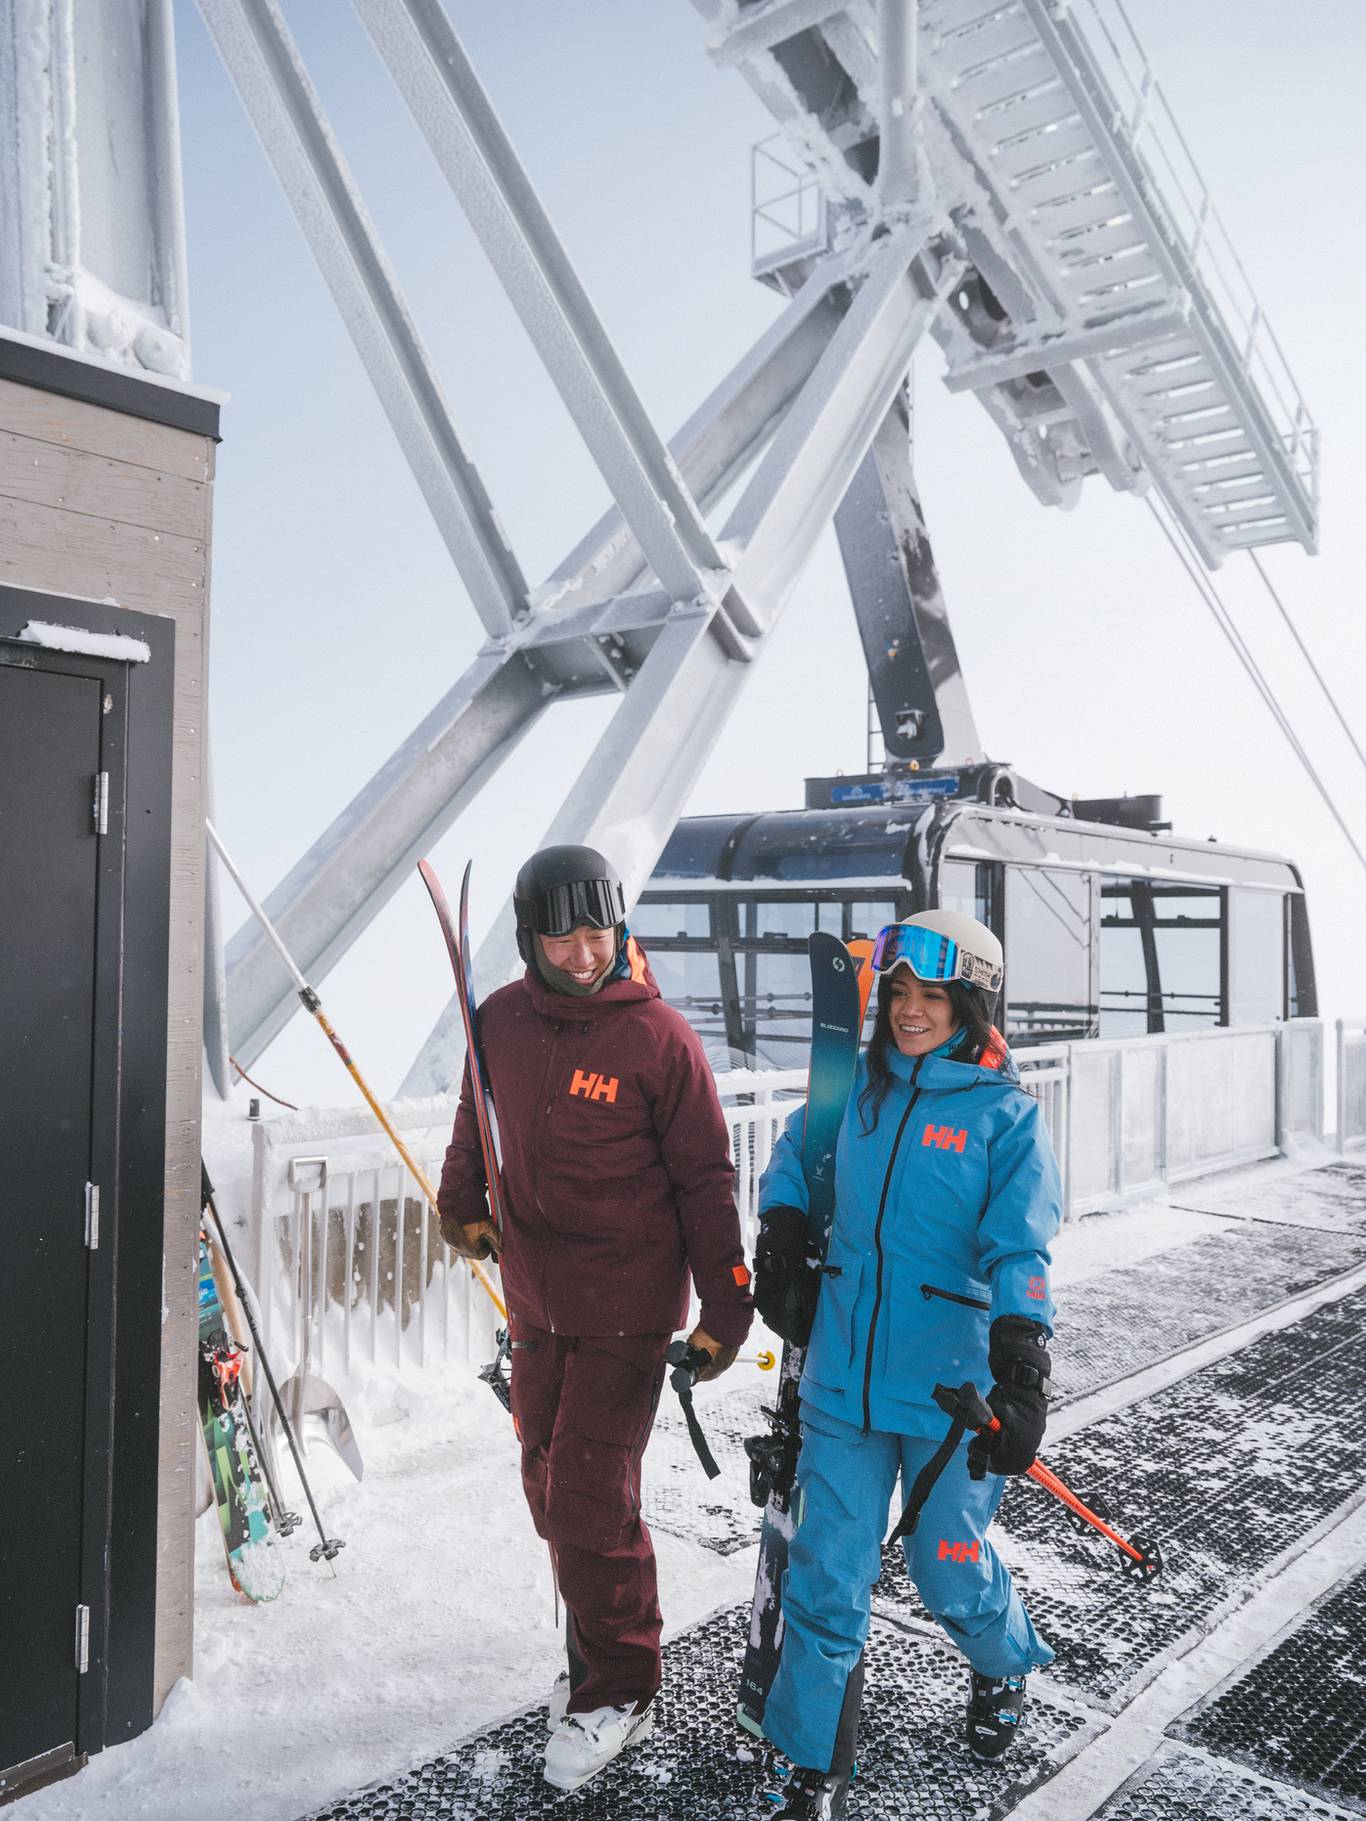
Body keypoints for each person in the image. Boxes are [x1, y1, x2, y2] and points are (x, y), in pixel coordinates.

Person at [436, 843, 754, 1794]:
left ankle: (621, 1683)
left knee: (587, 1493)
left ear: (620, 926)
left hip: (627, 1308)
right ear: (529, 937)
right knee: (548, 1483)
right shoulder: (499, 1019)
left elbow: (707, 1180)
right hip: (536, 1298)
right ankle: (594, 1645)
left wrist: (726, 1307)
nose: (583, 953)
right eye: (561, 936)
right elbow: (477, 1118)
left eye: (598, 931)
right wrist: (462, 1197)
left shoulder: (659, 1039)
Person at [750, 909, 1062, 1820]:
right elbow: (793, 1157)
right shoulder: (858, 1091)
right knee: (826, 1574)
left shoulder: (1005, 1118)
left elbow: (1022, 1249)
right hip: (841, 1378)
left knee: (947, 1565)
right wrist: (781, 1228)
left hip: (948, 1392)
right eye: (898, 992)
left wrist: (1022, 1362)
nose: (910, 1010)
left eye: (932, 995)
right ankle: (811, 1764)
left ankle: (1002, 1661)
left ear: (970, 1005)